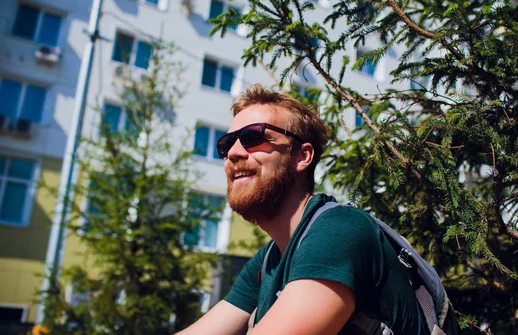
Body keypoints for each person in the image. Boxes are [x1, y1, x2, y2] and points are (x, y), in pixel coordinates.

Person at [177, 84, 429, 335]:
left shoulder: (339, 231)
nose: (232, 153)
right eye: (226, 143)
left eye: (253, 137)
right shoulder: (269, 261)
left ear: (302, 156)